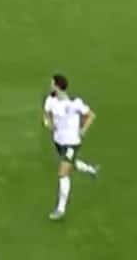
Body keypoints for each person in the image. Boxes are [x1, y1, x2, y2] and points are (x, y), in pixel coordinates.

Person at [44, 74, 100, 220]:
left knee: (63, 173)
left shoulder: (75, 103)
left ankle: (60, 209)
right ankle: (91, 170)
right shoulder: (50, 100)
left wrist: (83, 129)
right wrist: (50, 124)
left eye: (52, 83)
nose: (50, 85)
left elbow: (91, 115)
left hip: (72, 143)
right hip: (58, 141)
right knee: (71, 164)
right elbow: (47, 113)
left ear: (57, 86)